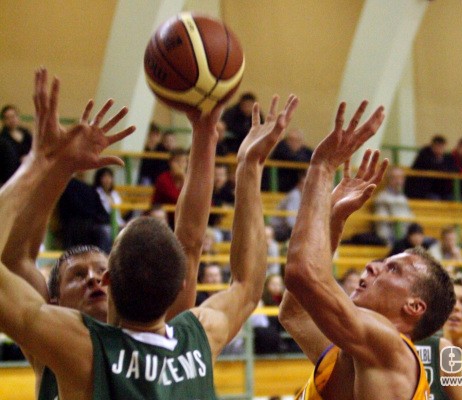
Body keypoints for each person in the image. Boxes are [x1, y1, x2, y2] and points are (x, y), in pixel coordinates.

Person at [0, 68, 299, 399]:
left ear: (112, 279)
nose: (94, 279)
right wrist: (236, 157)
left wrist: (43, 164)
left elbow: (190, 242)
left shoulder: (74, 345)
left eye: (99, 270)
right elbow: (243, 283)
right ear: (52, 300)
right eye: (78, 275)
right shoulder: (195, 338)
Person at [280, 101, 456, 400]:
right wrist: (334, 220)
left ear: (414, 306)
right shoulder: (354, 351)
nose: (372, 266)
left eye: (393, 269)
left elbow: (302, 275)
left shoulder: (389, 345)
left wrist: (322, 168)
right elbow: (294, 313)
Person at [404, 134, 458, 200]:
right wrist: (441, 165)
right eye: (437, 146)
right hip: (421, 191)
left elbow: (455, 169)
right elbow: (431, 166)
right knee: (435, 199)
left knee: (453, 198)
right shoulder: (424, 155)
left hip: (439, 190)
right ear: (432, 146)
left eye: (441, 146)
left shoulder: (447, 158)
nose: (439, 149)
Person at [373, 166, 413, 244]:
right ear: (388, 180)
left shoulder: (403, 198)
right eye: (395, 178)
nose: (399, 181)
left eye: (401, 178)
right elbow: (382, 222)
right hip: (389, 237)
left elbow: (410, 219)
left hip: (406, 236)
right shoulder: (382, 198)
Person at [267, 127, 313, 192]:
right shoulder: (281, 148)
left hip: (297, 187)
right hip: (281, 185)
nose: (293, 142)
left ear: (302, 142)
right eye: (291, 140)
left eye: (297, 140)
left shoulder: (306, 151)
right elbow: (293, 159)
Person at [0, 104, 33, 185]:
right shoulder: (2, 139)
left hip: (30, 172)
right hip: (12, 177)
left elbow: (35, 149)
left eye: (14, 116)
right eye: (8, 118)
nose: (12, 120)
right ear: (3, 121)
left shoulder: (26, 133)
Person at [270, 171, 306, 242]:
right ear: (300, 184)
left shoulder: (301, 196)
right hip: (278, 228)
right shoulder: (295, 195)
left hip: (284, 228)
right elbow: (290, 222)